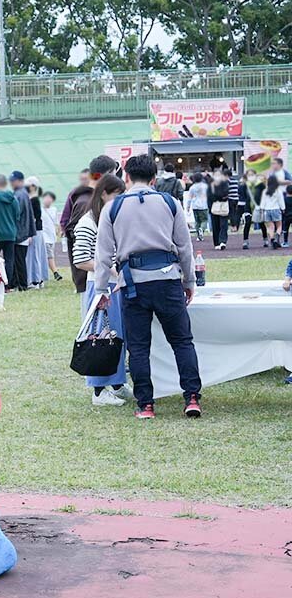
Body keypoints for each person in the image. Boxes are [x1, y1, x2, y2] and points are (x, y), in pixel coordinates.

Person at [94, 154, 202, 420]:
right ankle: (191, 398)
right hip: (167, 281)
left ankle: (146, 405)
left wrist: (100, 290)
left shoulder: (113, 208)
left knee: (139, 347)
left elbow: (103, 254)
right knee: (182, 342)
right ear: (154, 178)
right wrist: (189, 281)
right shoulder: (170, 202)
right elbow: (184, 248)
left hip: (133, 285)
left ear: (127, 177)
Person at [70, 174, 132, 407]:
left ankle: (116, 383)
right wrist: (109, 269)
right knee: (99, 337)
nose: (120, 199)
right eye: (117, 195)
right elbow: (80, 260)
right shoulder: (88, 222)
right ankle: (98, 390)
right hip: (99, 287)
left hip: (114, 286)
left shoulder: (111, 217)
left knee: (116, 336)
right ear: (104, 193)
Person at [62, 156, 119, 294]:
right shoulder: (87, 203)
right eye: (113, 175)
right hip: (92, 278)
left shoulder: (84, 197)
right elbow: (80, 250)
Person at [9, 171, 36, 291]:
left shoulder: (20, 194)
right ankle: (17, 283)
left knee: (19, 260)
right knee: (17, 260)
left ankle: (22, 285)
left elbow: (17, 213)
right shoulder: (21, 193)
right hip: (23, 232)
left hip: (20, 233)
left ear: (20, 181)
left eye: (13, 180)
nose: (11, 182)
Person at [24, 176, 48, 288]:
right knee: (36, 255)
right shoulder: (33, 199)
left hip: (34, 231)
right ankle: (38, 279)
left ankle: (35, 280)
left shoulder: (34, 200)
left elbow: (34, 217)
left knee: (34, 255)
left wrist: (29, 232)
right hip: (37, 231)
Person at [41, 192, 63, 281]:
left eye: (50, 198)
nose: (47, 200)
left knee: (48, 255)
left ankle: (45, 273)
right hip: (43, 236)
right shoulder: (40, 209)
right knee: (49, 255)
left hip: (52, 236)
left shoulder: (54, 209)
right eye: (46, 197)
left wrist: (59, 232)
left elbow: (57, 223)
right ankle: (55, 272)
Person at [260, 174, 285, 249]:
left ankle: (272, 239)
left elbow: (263, 202)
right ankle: (277, 238)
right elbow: (281, 201)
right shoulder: (278, 191)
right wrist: (283, 208)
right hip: (276, 209)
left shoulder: (265, 191)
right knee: (279, 226)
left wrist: (262, 210)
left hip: (267, 210)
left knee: (270, 227)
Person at [207, 172, 230, 250]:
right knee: (215, 226)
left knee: (224, 225)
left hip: (223, 207)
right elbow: (210, 197)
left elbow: (226, 194)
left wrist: (217, 197)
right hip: (214, 208)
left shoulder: (225, 184)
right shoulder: (211, 185)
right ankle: (216, 243)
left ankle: (223, 241)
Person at [185, 173, 209, 242]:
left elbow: (189, 198)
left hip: (195, 205)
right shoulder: (205, 186)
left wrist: (188, 206)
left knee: (197, 221)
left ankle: (199, 236)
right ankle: (202, 229)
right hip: (204, 205)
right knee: (204, 220)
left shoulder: (192, 187)